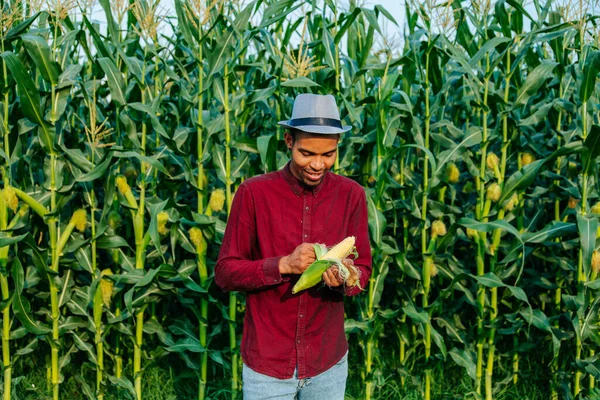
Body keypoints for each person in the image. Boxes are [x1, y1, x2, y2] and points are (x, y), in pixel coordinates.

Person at [214, 93, 372, 399]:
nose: (317, 164)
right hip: (268, 364)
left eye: (328, 154)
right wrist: (283, 265)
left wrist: (346, 277)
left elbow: (363, 268)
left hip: (327, 362)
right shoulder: (253, 194)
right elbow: (225, 273)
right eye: (306, 153)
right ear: (288, 141)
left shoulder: (351, 195)